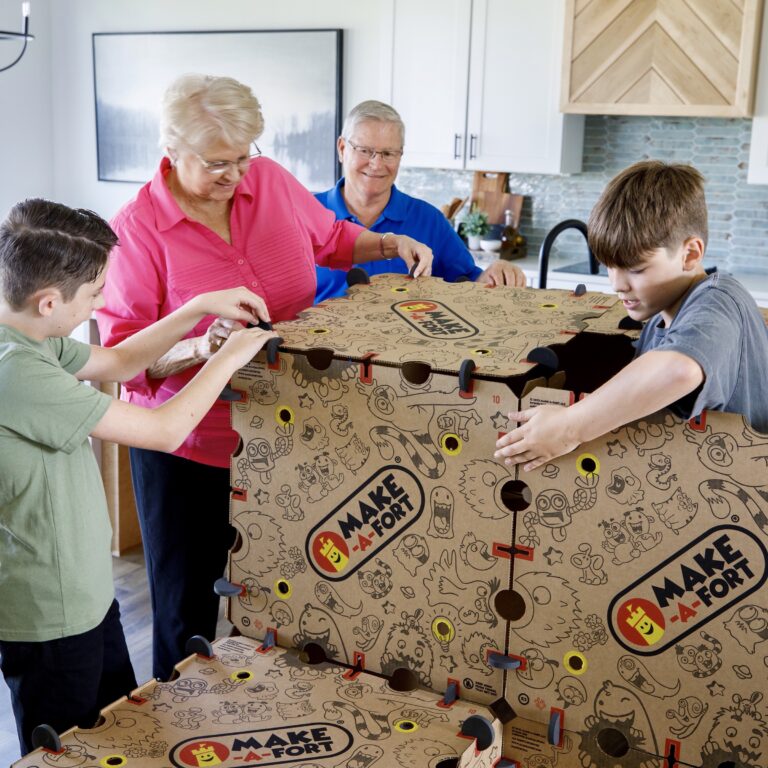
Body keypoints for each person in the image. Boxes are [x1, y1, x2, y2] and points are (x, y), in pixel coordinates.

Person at [95, 74, 433, 682]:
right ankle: (180, 731)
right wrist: (203, 346)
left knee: (291, 600)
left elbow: (329, 239)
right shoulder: (137, 231)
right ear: (172, 151)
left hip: (288, 437)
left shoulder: (268, 180)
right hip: (192, 453)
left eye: (244, 156)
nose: (235, 174)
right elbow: (128, 365)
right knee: (187, 611)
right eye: (217, 162)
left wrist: (389, 242)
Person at [0, 198, 278, 755]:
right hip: (49, 613)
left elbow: (121, 362)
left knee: (114, 738)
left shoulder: (28, 335)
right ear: (49, 301)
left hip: (84, 595)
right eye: (96, 293)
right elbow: (164, 430)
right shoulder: (16, 371)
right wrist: (229, 357)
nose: (103, 301)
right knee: (66, 754)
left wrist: (197, 306)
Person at [494, 160, 768, 470]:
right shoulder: (661, 315)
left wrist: (568, 426)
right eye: (609, 266)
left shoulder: (717, 301)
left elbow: (679, 370)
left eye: (636, 269)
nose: (617, 284)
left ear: (689, 254)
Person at [314, 100, 526, 302]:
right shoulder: (306, 215)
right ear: (342, 149)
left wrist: (494, 275)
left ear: (400, 156)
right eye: (365, 151)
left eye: (388, 153)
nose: (376, 164)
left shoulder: (429, 220)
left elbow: (468, 284)